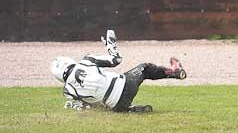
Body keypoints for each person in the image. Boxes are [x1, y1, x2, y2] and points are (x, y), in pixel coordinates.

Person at [50, 32, 187, 113]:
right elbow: (116, 59)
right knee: (145, 68)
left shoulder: (67, 91)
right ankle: (175, 72)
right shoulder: (86, 61)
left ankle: (129, 109)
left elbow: (85, 107)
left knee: (108, 101)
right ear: (68, 61)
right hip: (126, 86)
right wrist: (110, 45)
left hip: (115, 106)